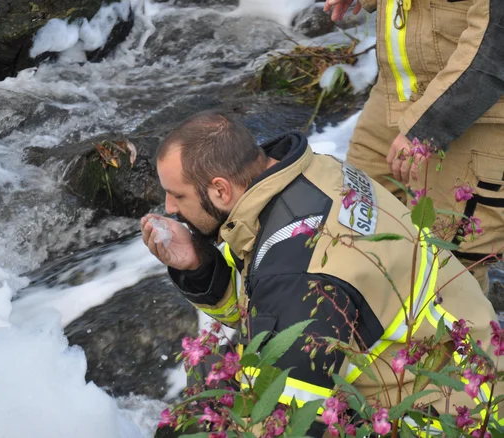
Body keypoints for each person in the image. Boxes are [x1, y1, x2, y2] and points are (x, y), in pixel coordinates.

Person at [141, 111, 500, 431]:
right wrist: (200, 265)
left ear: (219, 189)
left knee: (195, 418)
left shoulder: (296, 272)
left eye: (178, 195)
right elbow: (259, 303)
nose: (170, 207)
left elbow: (290, 423)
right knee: (214, 376)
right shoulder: (313, 173)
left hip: (451, 417)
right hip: (476, 362)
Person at [323, 0, 504, 292]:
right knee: (350, 236)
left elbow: (495, 49)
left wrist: (425, 130)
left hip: (475, 115)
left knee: (445, 276)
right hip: (397, 94)